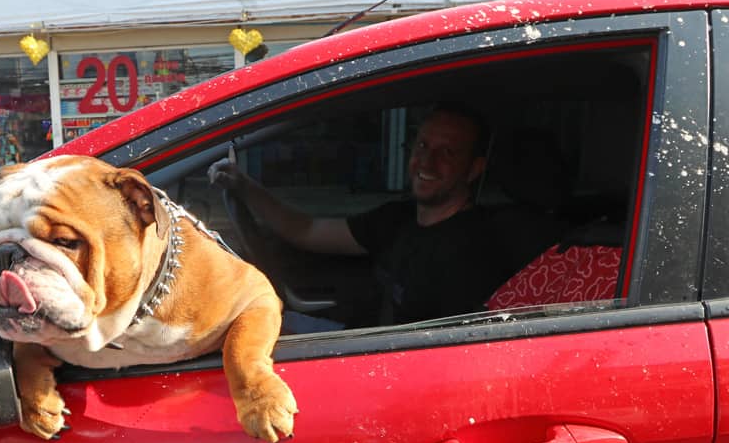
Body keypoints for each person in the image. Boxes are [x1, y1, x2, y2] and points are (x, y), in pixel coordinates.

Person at [208, 103, 511, 325]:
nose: (427, 162)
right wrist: (243, 184)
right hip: (362, 339)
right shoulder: (398, 218)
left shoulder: (474, 254)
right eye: (422, 145)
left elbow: (450, 349)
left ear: (474, 169)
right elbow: (307, 230)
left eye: (448, 153)